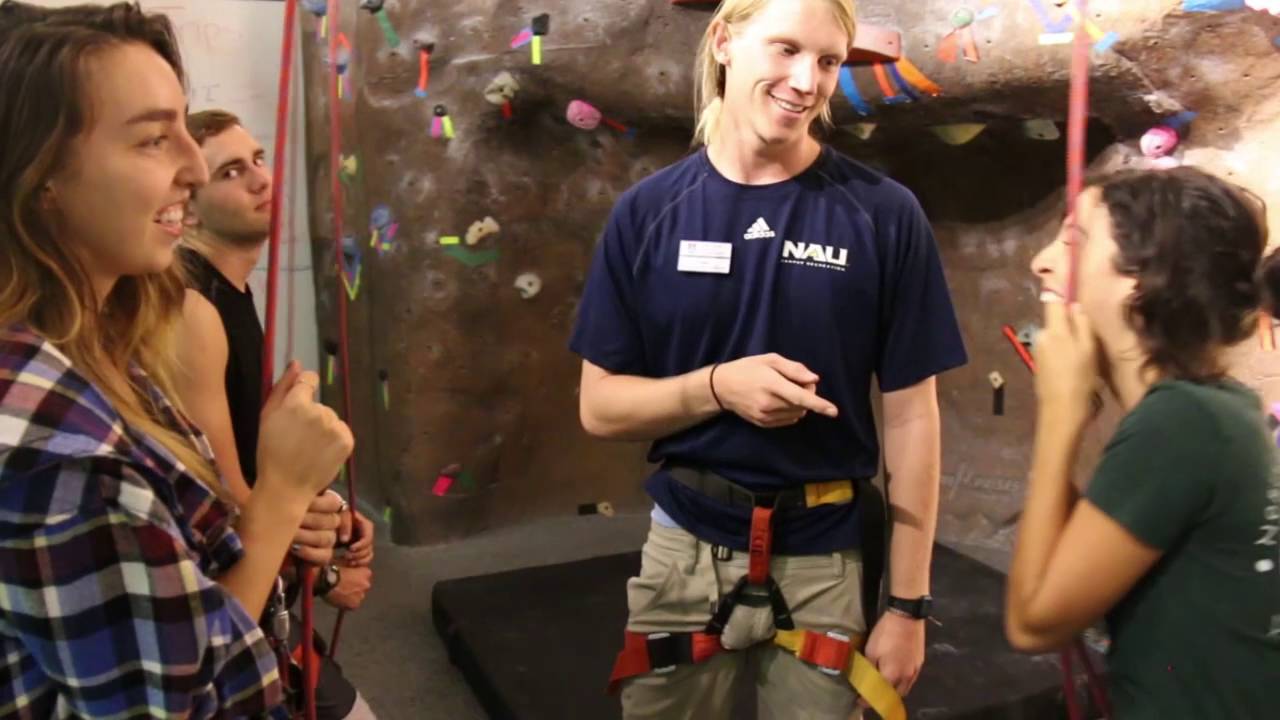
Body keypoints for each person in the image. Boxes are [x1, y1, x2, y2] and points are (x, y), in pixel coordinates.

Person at [570, 0, 967, 717]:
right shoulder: (648, 213)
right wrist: (717, 387)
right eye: (785, 49)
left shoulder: (883, 214)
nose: (806, 81)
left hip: (827, 559)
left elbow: (912, 418)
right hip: (683, 552)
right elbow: (599, 406)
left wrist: (908, 605)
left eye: (827, 62)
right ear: (724, 42)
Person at [0, 2, 352, 718]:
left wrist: (287, 516)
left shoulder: (93, 337)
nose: (192, 166)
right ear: (42, 177)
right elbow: (186, 700)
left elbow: (187, 529)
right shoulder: (65, 457)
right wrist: (283, 492)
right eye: (155, 139)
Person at [1005, 167, 1280, 718]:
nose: (1042, 260)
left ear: (1142, 275)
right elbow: (1077, 561)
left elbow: (1033, 622)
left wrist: (1059, 415)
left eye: (1074, 239)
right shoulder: (1217, 408)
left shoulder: (1181, 423)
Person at [173, 108, 376, 719]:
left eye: (259, 159)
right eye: (233, 171)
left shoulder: (227, 291)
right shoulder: (194, 309)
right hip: (233, 601)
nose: (262, 179)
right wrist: (325, 579)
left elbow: (244, 452)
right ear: (187, 206)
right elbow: (226, 498)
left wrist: (329, 504)